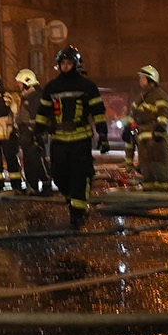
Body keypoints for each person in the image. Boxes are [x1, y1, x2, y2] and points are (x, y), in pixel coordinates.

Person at [36, 45, 108, 229]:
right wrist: (37, 133)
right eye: (63, 63)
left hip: (80, 139)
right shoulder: (51, 87)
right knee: (59, 176)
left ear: (76, 64)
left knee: (79, 175)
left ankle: (78, 213)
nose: (65, 66)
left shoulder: (87, 86)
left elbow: (98, 112)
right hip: (59, 139)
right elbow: (42, 112)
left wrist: (103, 134)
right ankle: (74, 200)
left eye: (69, 62)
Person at [128, 64, 168, 190]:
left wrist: (161, 126)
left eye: (142, 78)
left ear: (150, 79)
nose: (140, 80)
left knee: (159, 164)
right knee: (145, 165)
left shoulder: (159, 95)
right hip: (142, 137)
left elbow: (164, 111)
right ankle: (149, 190)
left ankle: (162, 191)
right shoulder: (141, 97)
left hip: (155, 137)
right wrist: (128, 127)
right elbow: (133, 113)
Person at [14, 68, 50, 194]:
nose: (18, 85)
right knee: (30, 161)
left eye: (20, 83)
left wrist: (29, 132)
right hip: (28, 134)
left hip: (33, 135)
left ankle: (45, 186)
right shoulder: (30, 95)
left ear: (26, 82)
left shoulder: (34, 96)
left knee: (37, 161)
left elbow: (35, 117)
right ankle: (33, 186)